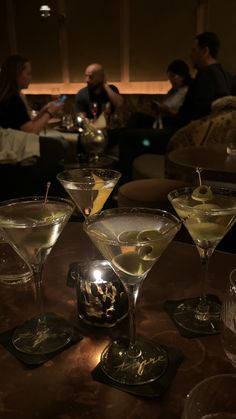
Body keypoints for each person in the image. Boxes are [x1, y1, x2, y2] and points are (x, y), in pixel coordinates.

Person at [177, 31, 234, 127]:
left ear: (205, 52)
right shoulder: (226, 75)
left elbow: (198, 116)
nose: (190, 55)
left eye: (194, 50)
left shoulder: (206, 74)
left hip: (185, 136)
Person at [0, 54, 64, 134]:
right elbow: (31, 130)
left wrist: (44, 110)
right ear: (17, 75)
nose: (31, 77)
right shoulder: (13, 99)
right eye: (28, 73)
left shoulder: (7, 96)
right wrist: (50, 112)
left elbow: (26, 124)